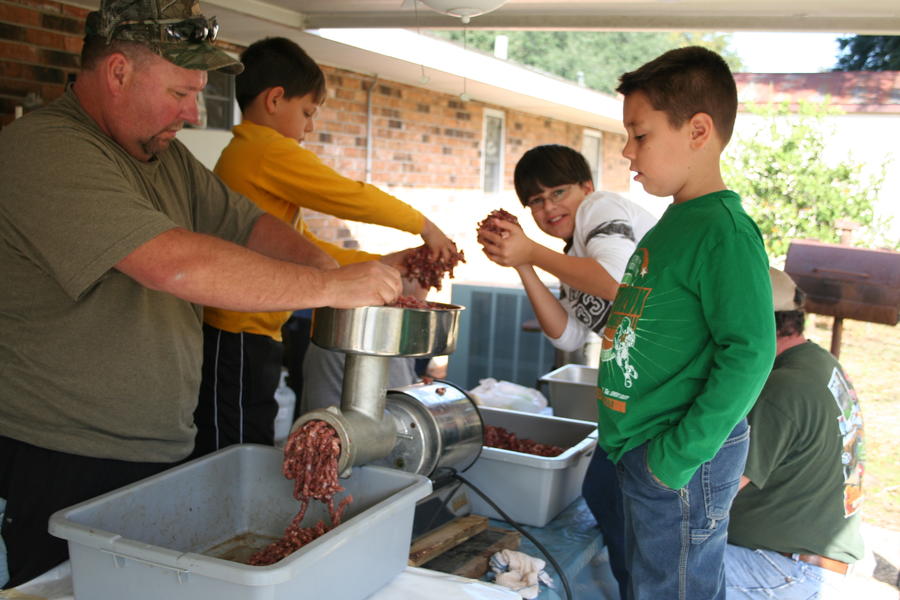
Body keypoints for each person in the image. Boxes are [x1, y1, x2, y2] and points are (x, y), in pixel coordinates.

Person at [0, 0, 400, 588]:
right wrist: (330, 285)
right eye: (181, 93)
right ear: (117, 73)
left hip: (157, 446)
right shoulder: (45, 150)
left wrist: (321, 262)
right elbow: (175, 266)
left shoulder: (166, 157)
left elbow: (247, 225)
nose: (192, 114)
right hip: (67, 454)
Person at [194, 36, 455, 455]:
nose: (309, 127)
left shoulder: (252, 154)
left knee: (250, 431)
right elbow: (347, 194)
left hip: (252, 329)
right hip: (236, 330)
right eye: (307, 113)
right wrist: (423, 226)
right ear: (275, 100)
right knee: (235, 448)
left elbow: (304, 246)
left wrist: (382, 264)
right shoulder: (265, 150)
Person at [597, 46, 776, 599]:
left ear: (698, 130)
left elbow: (750, 351)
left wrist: (673, 460)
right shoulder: (675, 220)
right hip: (647, 448)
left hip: (677, 460)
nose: (628, 151)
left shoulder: (723, 230)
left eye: (640, 134)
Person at [477, 144, 657, 600]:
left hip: (668, 394)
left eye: (558, 192)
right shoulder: (573, 251)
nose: (549, 207)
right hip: (637, 398)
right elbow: (568, 336)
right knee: (604, 492)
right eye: (536, 201)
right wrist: (523, 263)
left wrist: (531, 250)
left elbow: (617, 282)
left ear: (586, 188)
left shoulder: (603, 209)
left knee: (638, 517)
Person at [725, 268, 865, 599]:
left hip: (792, 570)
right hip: (818, 559)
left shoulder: (782, 388)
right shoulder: (819, 362)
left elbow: (717, 492)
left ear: (753, 322)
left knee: (653, 568)